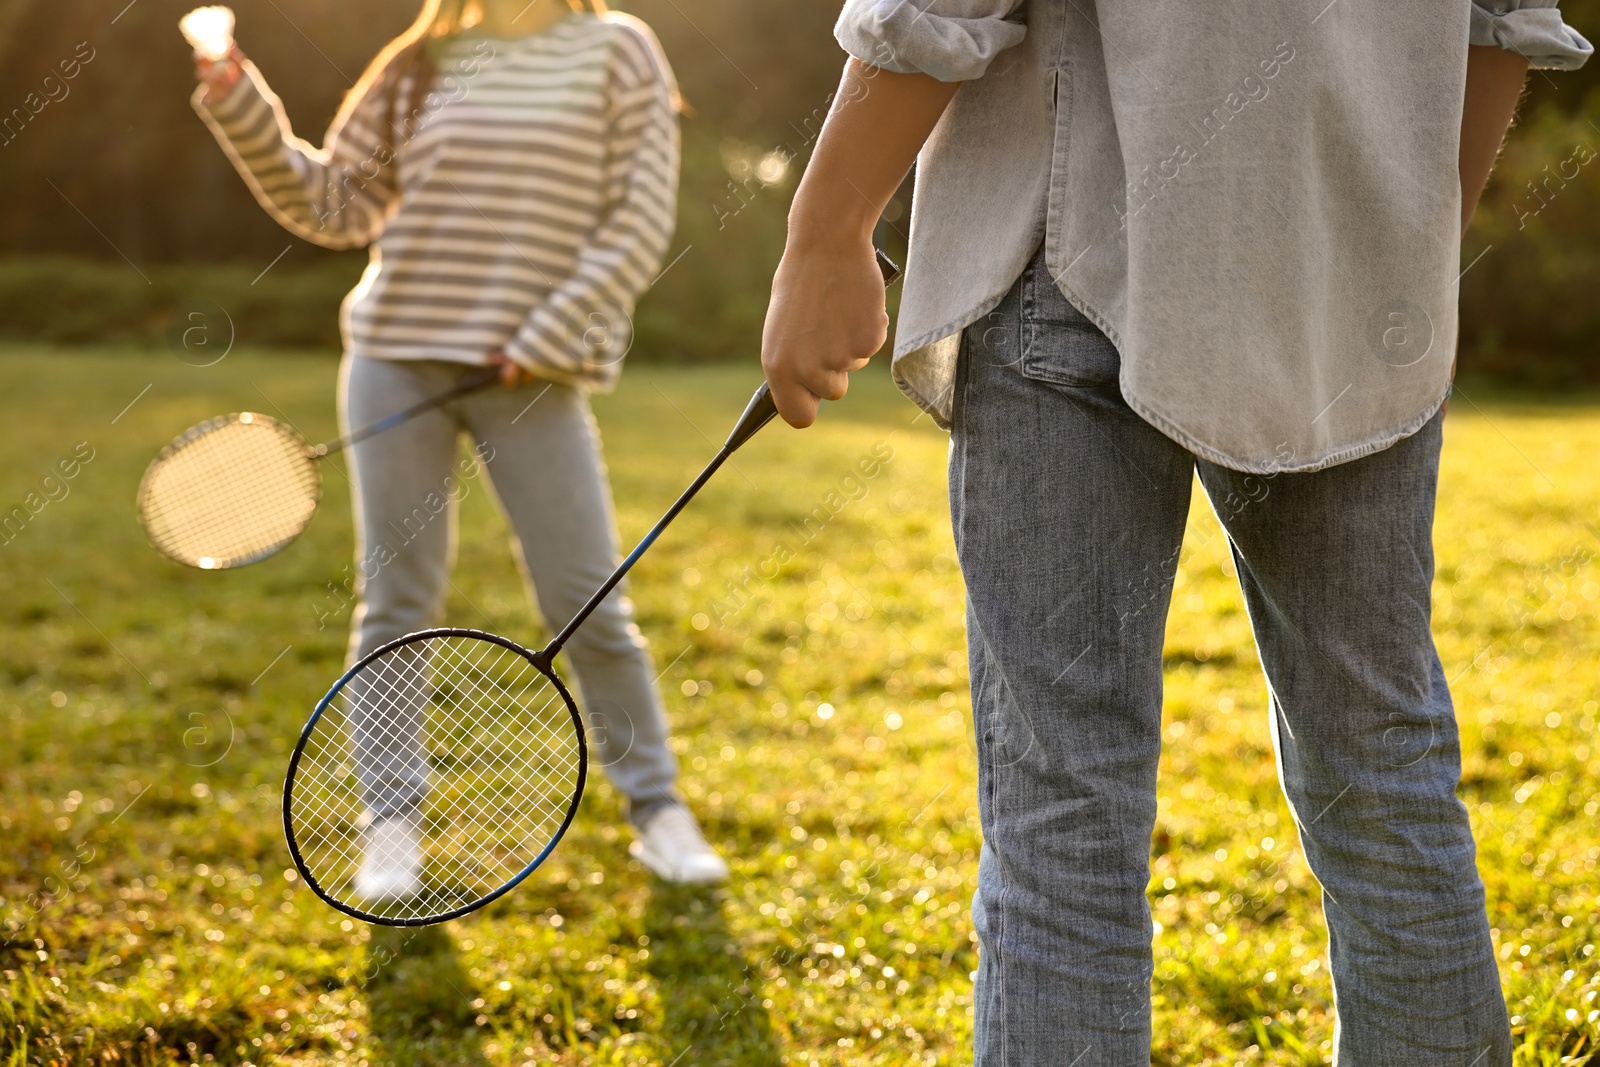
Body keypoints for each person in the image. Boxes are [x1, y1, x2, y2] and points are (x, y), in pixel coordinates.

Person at [761, 1, 1590, 1062]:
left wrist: (825, 231)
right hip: (1348, 283)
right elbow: (1498, 19)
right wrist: (1402, 256)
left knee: (1062, 810)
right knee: (1381, 775)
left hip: (1074, 257)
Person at [191, 0, 728, 892]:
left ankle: (658, 808)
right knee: (396, 600)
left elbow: (635, 222)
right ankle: (391, 822)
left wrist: (547, 335)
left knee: (586, 598)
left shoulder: (616, 49)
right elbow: (333, 203)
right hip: (394, 357)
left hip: (533, 373)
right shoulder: (420, 62)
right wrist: (239, 98)